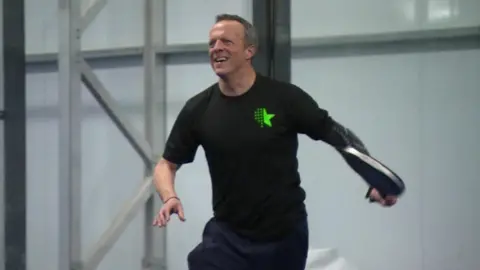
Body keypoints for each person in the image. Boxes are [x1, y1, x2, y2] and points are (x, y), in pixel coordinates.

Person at [152, 14, 398, 270]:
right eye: (212, 43)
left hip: (284, 235)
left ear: (250, 51)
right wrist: (169, 196)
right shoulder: (198, 109)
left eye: (226, 41)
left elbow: (338, 136)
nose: (217, 48)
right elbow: (166, 164)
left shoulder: (284, 99)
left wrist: (375, 178)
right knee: (201, 262)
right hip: (227, 236)